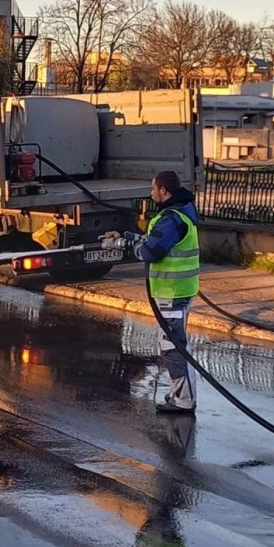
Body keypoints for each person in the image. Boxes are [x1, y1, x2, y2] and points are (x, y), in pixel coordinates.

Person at [107, 170, 200, 413]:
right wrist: (126, 237)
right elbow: (153, 241)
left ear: (163, 191)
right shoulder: (175, 213)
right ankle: (182, 396)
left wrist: (123, 246)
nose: (150, 193)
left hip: (173, 292)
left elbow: (150, 252)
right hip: (178, 290)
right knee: (177, 344)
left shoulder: (171, 218)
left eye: (153, 189)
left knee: (172, 346)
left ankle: (183, 400)